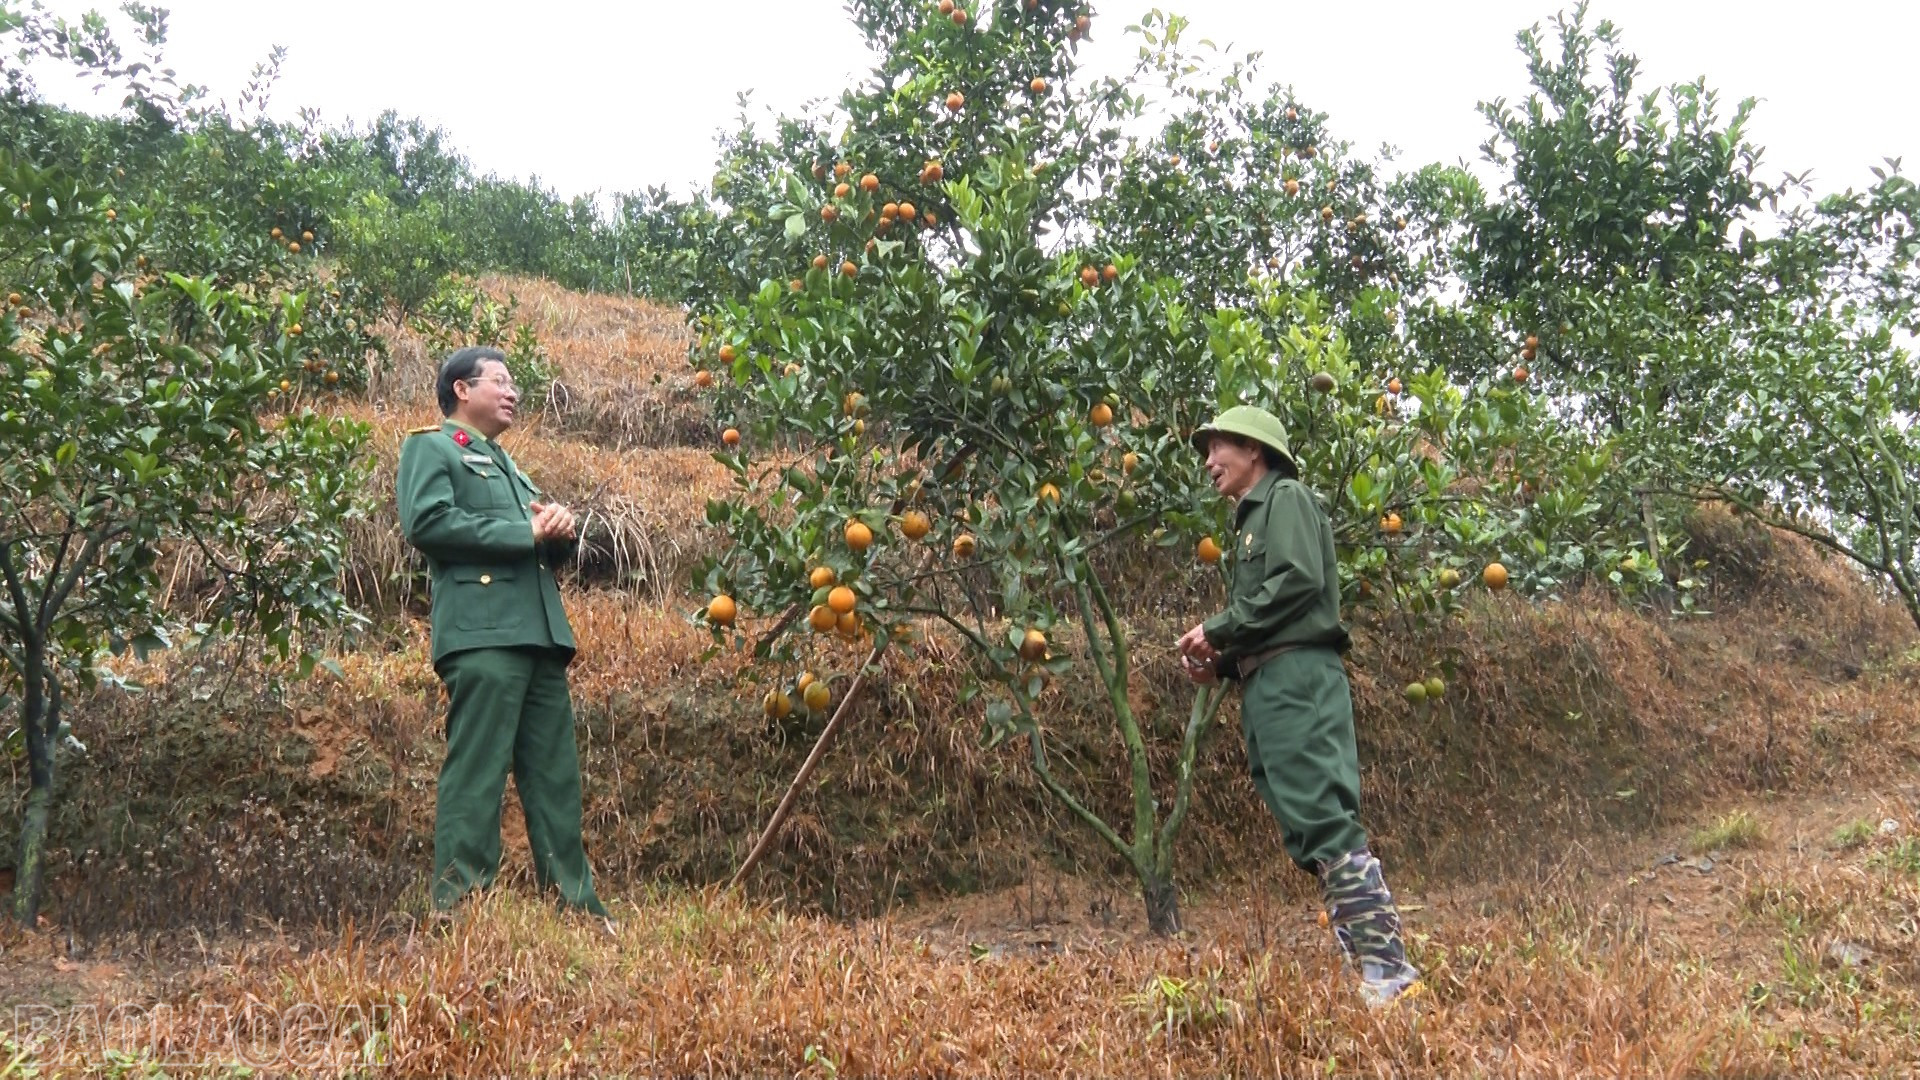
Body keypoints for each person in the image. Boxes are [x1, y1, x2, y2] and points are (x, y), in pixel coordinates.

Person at [1176, 404, 1420, 1006]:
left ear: (1254, 449)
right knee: (1309, 832)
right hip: (1268, 681)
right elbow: (1270, 615)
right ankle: (1372, 968)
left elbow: (1296, 582)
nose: (1209, 461)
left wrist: (1218, 628)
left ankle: (1389, 971)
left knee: (1324, 820)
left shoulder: (1285, 498)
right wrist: (1221, 661)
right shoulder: (1250, 520)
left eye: (1219, 447)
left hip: (1296, 680)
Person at [397, 346, 609, 919]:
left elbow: (533, 544)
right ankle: (460, 903)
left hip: (538, 635)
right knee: (478, 769)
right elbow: (428, 522)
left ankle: (575, 904)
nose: (513, 392)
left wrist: (558, 532)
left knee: (555, 777)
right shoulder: (432, 447)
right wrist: (525, 530)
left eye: (514, 384)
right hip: (483, 633)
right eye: (500, 381)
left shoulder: (509, 466)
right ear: (462, 390)